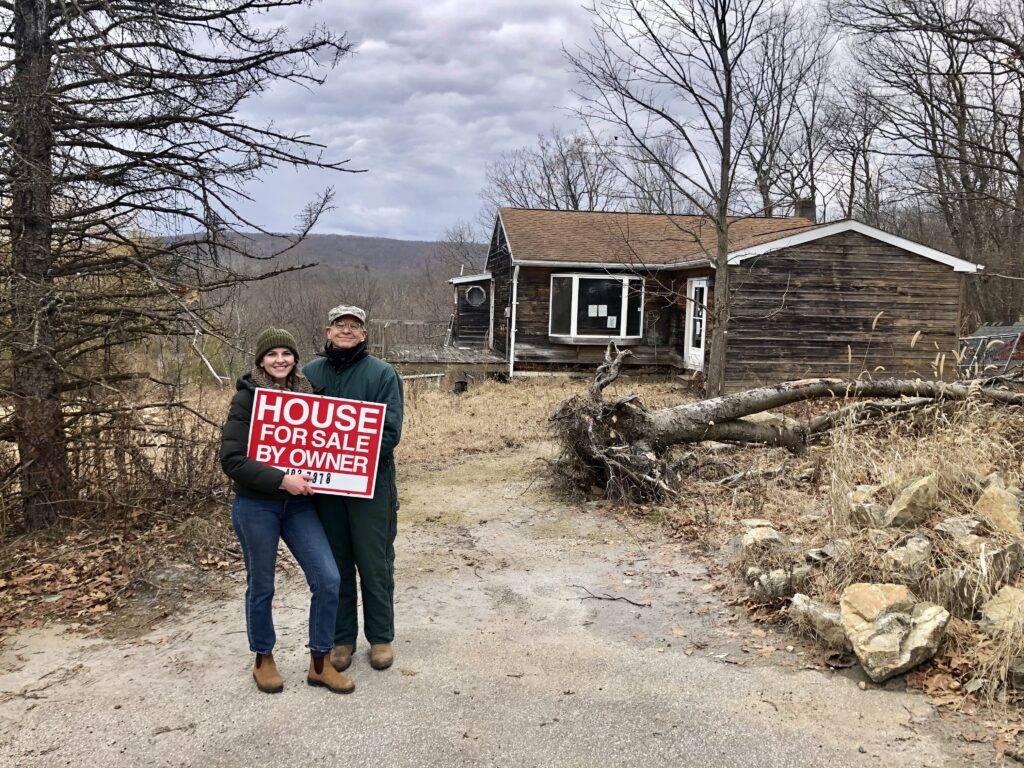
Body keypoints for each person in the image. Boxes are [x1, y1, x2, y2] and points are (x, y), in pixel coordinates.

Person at [219, 327, 355, 695]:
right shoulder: (247, 400)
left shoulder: (309, 396)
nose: (280, 360)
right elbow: (231, 459)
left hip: (298, 507)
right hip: (256, 505)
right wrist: (281, 479)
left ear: (295, 359)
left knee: (328, 579)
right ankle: (263, 657)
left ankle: (320, 662)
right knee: (262, 585)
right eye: (272, 354)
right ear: (261, 360)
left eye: (287, 353)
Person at [303, 305, 404, 674]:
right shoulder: (310, 373)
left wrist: (350, 455)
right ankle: (341, 639)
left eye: (354, 326)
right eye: (340, 325)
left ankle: (380, 638)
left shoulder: (381, 374)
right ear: (328, 331)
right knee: (336, 564)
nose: (347, 331)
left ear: (364, 334)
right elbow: (284, 415)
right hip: (325, 489)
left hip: (371, 485)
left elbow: (390, 431)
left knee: (374, 562)